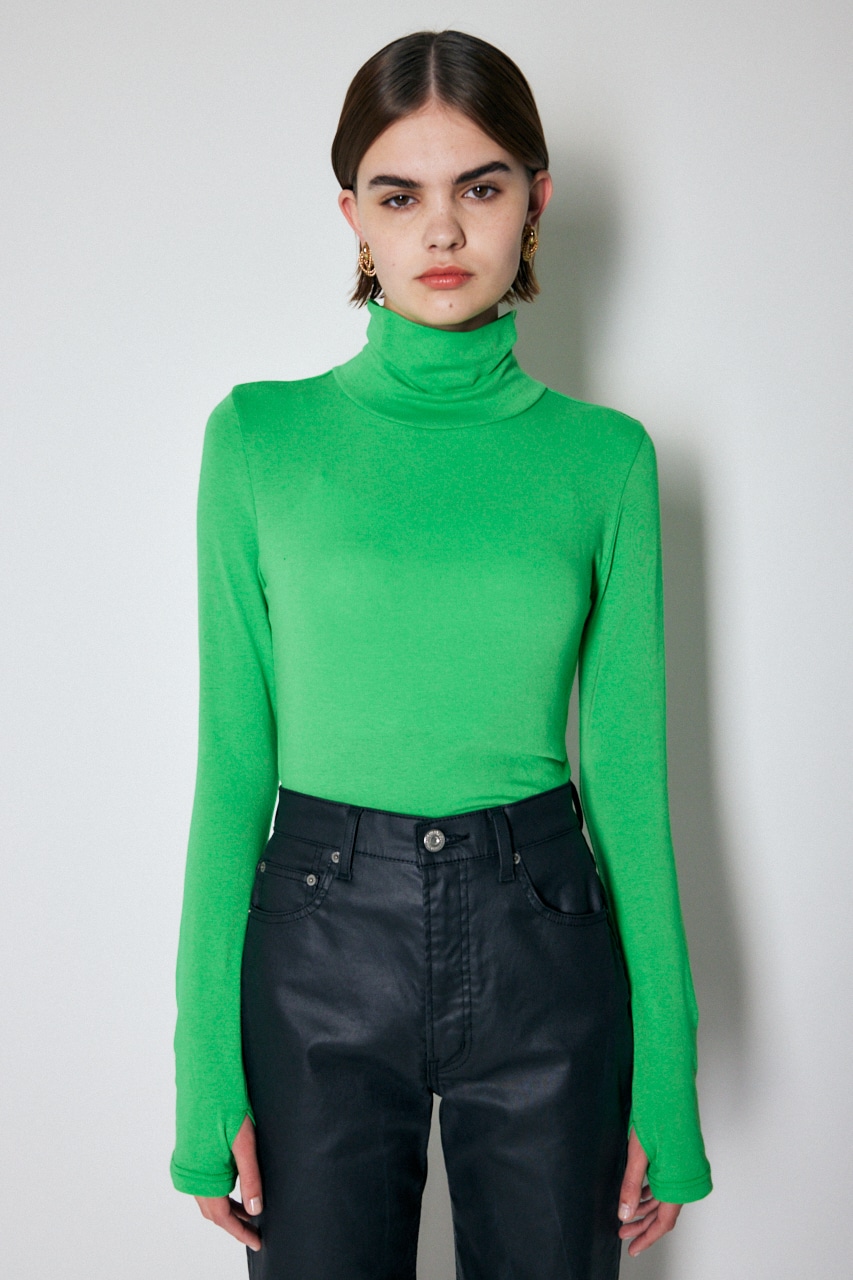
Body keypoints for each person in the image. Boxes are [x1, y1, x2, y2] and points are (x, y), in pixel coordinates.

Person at [170, 28, 713, 1279]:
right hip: (316, 940)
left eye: (480, 185)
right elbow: (232, 765)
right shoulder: (258, 439)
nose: (444, 231)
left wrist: (667, 1081)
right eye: (399, 195)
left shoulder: (605, 460)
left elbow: (630, 783)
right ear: (352, 216)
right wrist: (204, 1073)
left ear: (537, 199)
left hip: (543, 938)